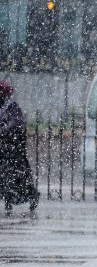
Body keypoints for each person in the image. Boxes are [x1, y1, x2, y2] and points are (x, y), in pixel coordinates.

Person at [0, 80, 39, 218]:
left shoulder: (12, 107)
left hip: (14, 151)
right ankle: (7, 197)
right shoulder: (4, 108)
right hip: (4, 150)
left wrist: (4, 130)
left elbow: (15, 125)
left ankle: (29, 196)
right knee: (5, 177)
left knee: (17, 178)